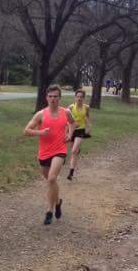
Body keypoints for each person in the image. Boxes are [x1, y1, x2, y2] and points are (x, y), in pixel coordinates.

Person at [24, 85, 75, 225]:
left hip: (60, 150)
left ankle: (49, 211)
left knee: (52, 178)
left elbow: (73, 123)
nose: (53, 99)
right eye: (50, 96)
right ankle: (58, 202)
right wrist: (40, 132)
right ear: (46, 98)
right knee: (51, 181)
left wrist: (70, 134)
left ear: (60, 98)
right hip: (44, 152)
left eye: (55, 96)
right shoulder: (41, 114)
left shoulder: (66, 112)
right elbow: (26, 130)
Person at [67, 89, 91, 180]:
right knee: (74, 151)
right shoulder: (70, 107)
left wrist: (89, 127)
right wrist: (67, 131)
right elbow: (66, 120)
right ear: (75, 97)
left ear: (84, 98)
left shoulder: (87, 107)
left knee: (73, 151)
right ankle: (72, 172)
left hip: (81, 130)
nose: (79, 98)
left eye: (81, 97)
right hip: (71, 130)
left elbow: (87, 117)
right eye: (77, 97)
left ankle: (70, 173)